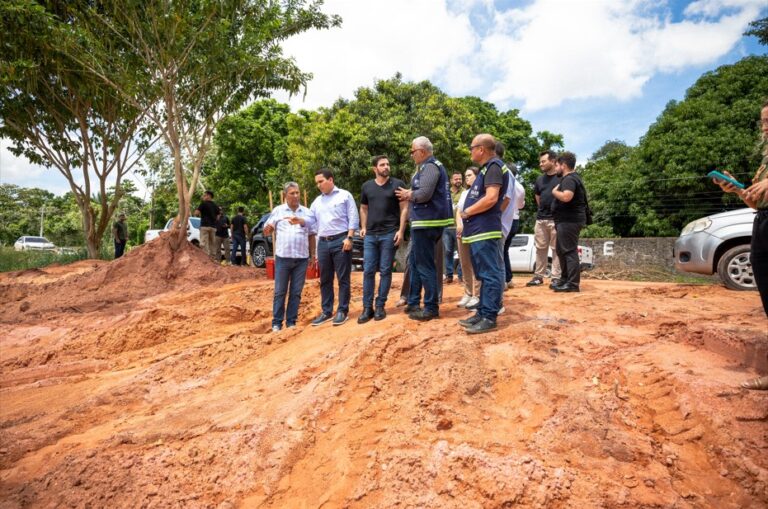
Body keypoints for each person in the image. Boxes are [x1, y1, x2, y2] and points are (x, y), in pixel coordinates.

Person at [713, 100, 768, 390]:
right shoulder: (764, 162)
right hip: (762, 222)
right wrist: (738, 189)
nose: (765, 127)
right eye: (763, 122)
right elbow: (753, 200)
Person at [395, 136, 454, 321]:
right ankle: (413, 302)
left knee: (425, 265)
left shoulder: (430, 166)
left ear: (421, 151)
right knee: (414, 263)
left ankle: (430, 307)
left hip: (428, 223)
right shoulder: (428, 166)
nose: (411, 155)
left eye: (412, 152)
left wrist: (408, 194)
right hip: (424, 222)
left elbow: (425, 194)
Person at [458, 134, 508, 334]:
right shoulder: (487, 169)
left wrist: (467, 211)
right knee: (483, 275)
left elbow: (491, 199)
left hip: (485, 231)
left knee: (490, 274)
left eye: (472, 147)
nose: (470, 151)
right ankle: (482, 311)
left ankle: (489, 316)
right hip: (478, 232)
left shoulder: (494, 167)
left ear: (481, 149)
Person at [358, 155, 408, 323]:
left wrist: (401, 231)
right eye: (382, 165)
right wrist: (363, 227)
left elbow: (404, 209)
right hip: (371, 235)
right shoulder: (367, 186)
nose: (386, 166)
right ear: (375, 169)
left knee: (386, 270)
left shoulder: (398, 184)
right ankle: (367, 308)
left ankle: (380, 306)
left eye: (388, 164)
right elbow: (363, 208)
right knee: (368, 271)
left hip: (389, 233)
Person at [263, 182, 316, 332]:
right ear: (286, 195)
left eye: (297, 193)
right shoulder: (278, 211)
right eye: (292, 193)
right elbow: (268, 229)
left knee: (296, 292)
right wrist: (268, 229)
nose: (296, 196)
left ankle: (291, 322)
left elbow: (312, 234)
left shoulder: (306, 212)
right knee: (280, 291)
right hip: (283, 258)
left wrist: (313, 255)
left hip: (301, 258)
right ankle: (277, 323)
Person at [310, 168, 360, 326]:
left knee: (343, 278)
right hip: (323, 243)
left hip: (341, 240)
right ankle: (326, 311)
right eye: (317, 183)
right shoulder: (317, 202)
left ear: (330, 179)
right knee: (325, 278)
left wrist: (350, 237)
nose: (319, 185)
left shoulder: (345, 195)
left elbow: (353, 216)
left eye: (321, 181)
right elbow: (310, 221)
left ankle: (342, 311)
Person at [551, 151, 587, 292]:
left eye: (557, 165)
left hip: (569, 221)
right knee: (561, 250)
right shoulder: (571, 178)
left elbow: (567, 197)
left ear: (563, 165)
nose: (555, 169)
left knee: (569, 251)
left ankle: (572, 284)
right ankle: (565, 279)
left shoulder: (569, 179)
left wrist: (555, 192)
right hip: (566, 221)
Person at [526, 151, 562, 288]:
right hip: (541, 219)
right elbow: (538, 198)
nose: (540, 164)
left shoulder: (561, 178)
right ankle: (538, 276)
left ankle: (556, 277)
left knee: (556, 249)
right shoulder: (539, 179)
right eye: (540, 161)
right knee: (540, 249)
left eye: (543, 161)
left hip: (556, 219)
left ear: (553, 161)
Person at [495, 142, 525, 291]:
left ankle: (505, 280)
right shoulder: (520, 186)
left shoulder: (504, 177)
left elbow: (505, 200)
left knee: (501, 251)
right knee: (504, 250)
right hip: (515, 220)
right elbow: (521, 205)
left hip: (504, 218)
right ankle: (508, 278)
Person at [456, 167, 481, 308]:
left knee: (476, 264)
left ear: (477, 176)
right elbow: (458, 211)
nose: (467, 178)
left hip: (476, 231)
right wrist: (459, 225)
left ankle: (477, 295)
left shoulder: (481, 192)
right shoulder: (464, 193)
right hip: (462, 232)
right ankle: (468, 292)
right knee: (464, 263)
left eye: (469, 175)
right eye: (465, 176)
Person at [443, 171, 464, 284]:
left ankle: (461, 276)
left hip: (460, 227)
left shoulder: (465, 192)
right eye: (456, 179)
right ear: (451, 181)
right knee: (448, 252)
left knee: (461, 252)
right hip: (447, 227)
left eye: (460, 179)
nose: (458, 181)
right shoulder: (445, 193)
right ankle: (449, 275)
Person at [194, 190, 219, 261]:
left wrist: (197, 210)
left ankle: (205, 260)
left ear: (208, 196)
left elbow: (196, 213)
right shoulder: (215, 205)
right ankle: (212, 259)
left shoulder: (203, 204)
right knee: (212, 244)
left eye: (204, 195)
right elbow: (217, 217)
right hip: (213, 227)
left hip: (205, 226)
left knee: (204, 243)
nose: (203, 197)